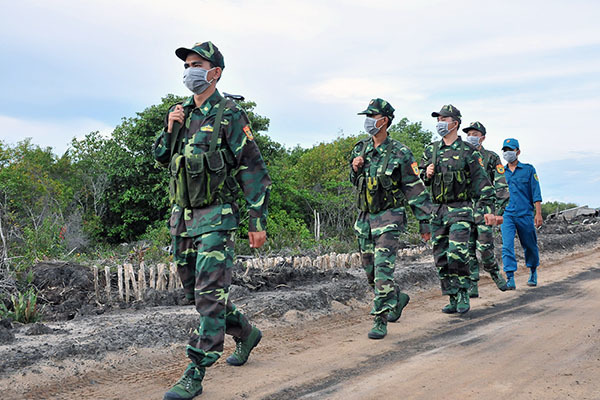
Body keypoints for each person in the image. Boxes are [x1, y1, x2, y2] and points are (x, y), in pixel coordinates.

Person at [153, 41, 271, 400]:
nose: (189, 70)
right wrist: (170, 127)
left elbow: (253, 169)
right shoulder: (182, 112)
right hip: (183, 220)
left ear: (215, 73)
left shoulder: (230, 115)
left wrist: (257, 220)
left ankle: (195, 371)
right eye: (187, 64)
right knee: (197, 293)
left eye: (196, 64)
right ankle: (246, 332)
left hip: (216, 219)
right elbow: (161, 156)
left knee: (208, 297)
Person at [350, 98, 434, 339]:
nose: (367, 121)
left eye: (372, 116)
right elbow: (354, 182)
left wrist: (424, 222)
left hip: (389, 217)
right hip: (365, 218)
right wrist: (354, 169)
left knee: (383, 271)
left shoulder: (400, 153)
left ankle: (380, 319)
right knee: (370, 272)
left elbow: (414, 188)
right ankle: (396, 297)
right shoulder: (360, 149)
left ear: (384, 120)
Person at [420, 105, 498, 314]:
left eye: (444, 119)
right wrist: (425, 173)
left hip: (461, 209)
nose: (440, 123)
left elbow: (483, 183)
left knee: (457, 253)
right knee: (441, 257)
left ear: (455, 123)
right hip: (437, 211)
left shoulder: (468, 152)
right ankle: (452, 297)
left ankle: (464, 292)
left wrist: (487, 210)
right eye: (438, 119)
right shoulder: (432, 150)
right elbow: (420, 179)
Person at [463, 121, 510, 297]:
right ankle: (472, 284)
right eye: (469, 133)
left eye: (475, 134)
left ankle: (495, 273)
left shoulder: (491, 157)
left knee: (484, 247)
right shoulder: (461, 155)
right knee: (467, 249)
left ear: (482, 137)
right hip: (465, 209)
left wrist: (498, 212)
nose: (471, 137)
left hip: (485, 210)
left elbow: (501, 184)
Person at [500, 138, 542, 289]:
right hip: (507, 215)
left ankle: (532, 271)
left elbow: (536, 192)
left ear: (518, 151)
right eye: (505, 150)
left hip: (525, 214)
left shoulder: (529, 170)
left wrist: (538, 214)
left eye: (510, 150)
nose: (507, 153)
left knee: (530, 245)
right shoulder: (500, 172)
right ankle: (510, 277)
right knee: (507, 246)